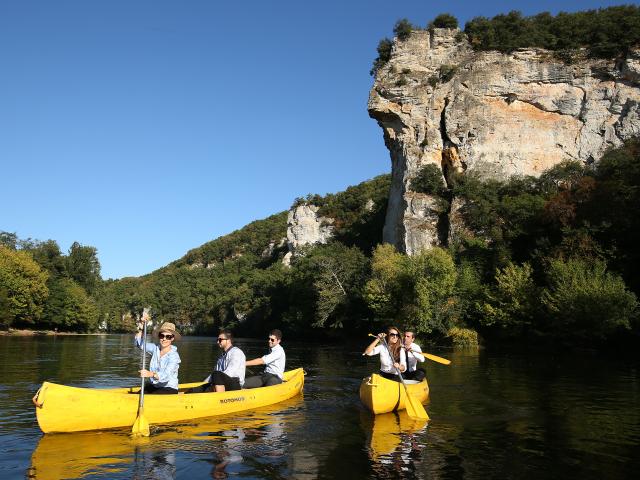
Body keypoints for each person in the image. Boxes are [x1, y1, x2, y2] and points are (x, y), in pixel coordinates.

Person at [134, 319, 181, 394]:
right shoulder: (155, 348)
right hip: (155, 386)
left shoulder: (174, 357)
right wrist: (142, 328)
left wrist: (150, 374)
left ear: (172, 338)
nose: (164, 339)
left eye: (168, 337)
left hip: (169, 388)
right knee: (138, 394)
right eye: (162, 336)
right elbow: (140, 344)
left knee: (148, 397)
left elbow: (166, 375)